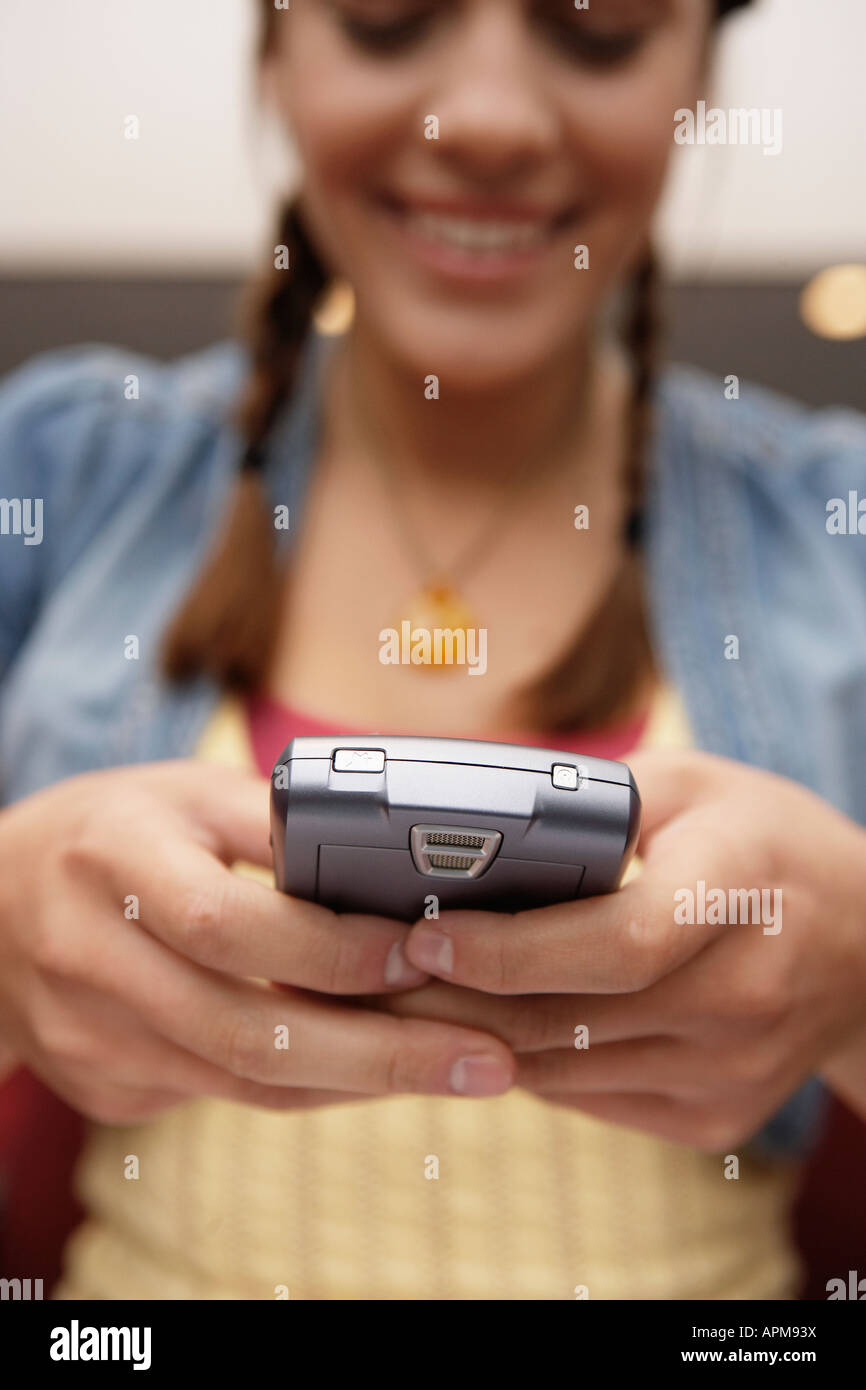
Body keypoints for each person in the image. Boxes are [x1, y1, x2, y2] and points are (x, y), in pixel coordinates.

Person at [0, 0, 864, 1300]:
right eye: (385, 15)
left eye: (602, 26)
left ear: (698, 67)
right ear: (276, 46)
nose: (485, 121)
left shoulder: (835, 529)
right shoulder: (56, 472)